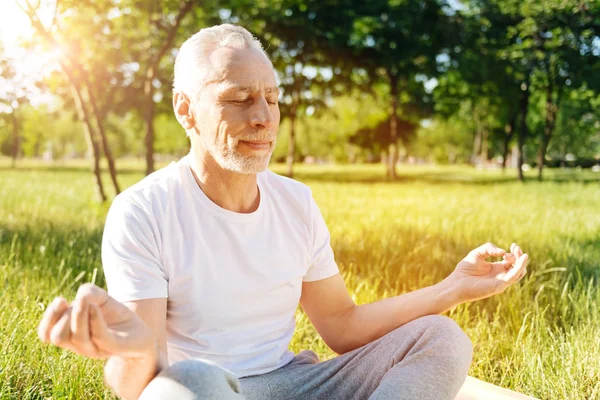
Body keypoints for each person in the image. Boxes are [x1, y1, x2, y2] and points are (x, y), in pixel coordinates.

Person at [37, 24, 530, 400]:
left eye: (272, 97)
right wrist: (134, 349)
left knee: (440, 338)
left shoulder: (296, 202)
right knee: (186, 381)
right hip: (208, 390)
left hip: (296, 384)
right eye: (240, 99)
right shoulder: (142, 210)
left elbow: (342, 326)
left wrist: (452, 288)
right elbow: (139, 386)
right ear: (185, 110)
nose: (263, 116)